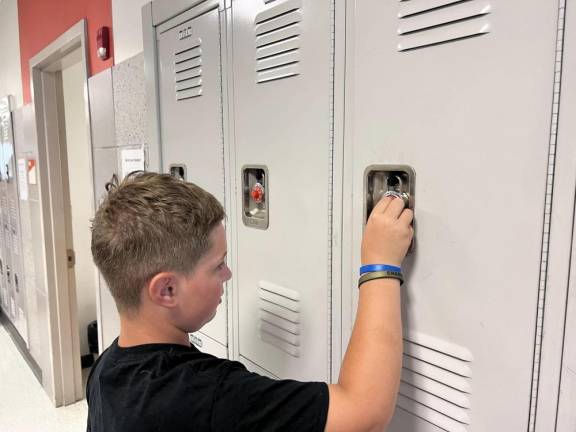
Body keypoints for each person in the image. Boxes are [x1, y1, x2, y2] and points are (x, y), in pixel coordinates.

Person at [87, 171, 413, 431]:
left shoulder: (105, 370)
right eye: (217, 265)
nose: (227, 274)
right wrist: (380, 262)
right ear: (167, 290)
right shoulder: (206, 396)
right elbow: (364, 412)